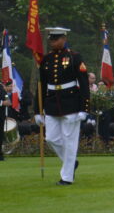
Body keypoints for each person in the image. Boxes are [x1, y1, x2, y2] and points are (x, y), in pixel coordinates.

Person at [34, 27, 90, 186]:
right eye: (51, 39)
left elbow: (84, 83)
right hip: (52, 103)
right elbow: (41, 85)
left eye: (56, 38)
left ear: (64, 39)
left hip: (71, 102)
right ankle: (71, 162)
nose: (53, 41)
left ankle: (66, 177)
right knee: (51, 138)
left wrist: (84, 108)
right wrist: (38, 110)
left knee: (69, 140)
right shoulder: (46, 59)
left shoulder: (74, 57)